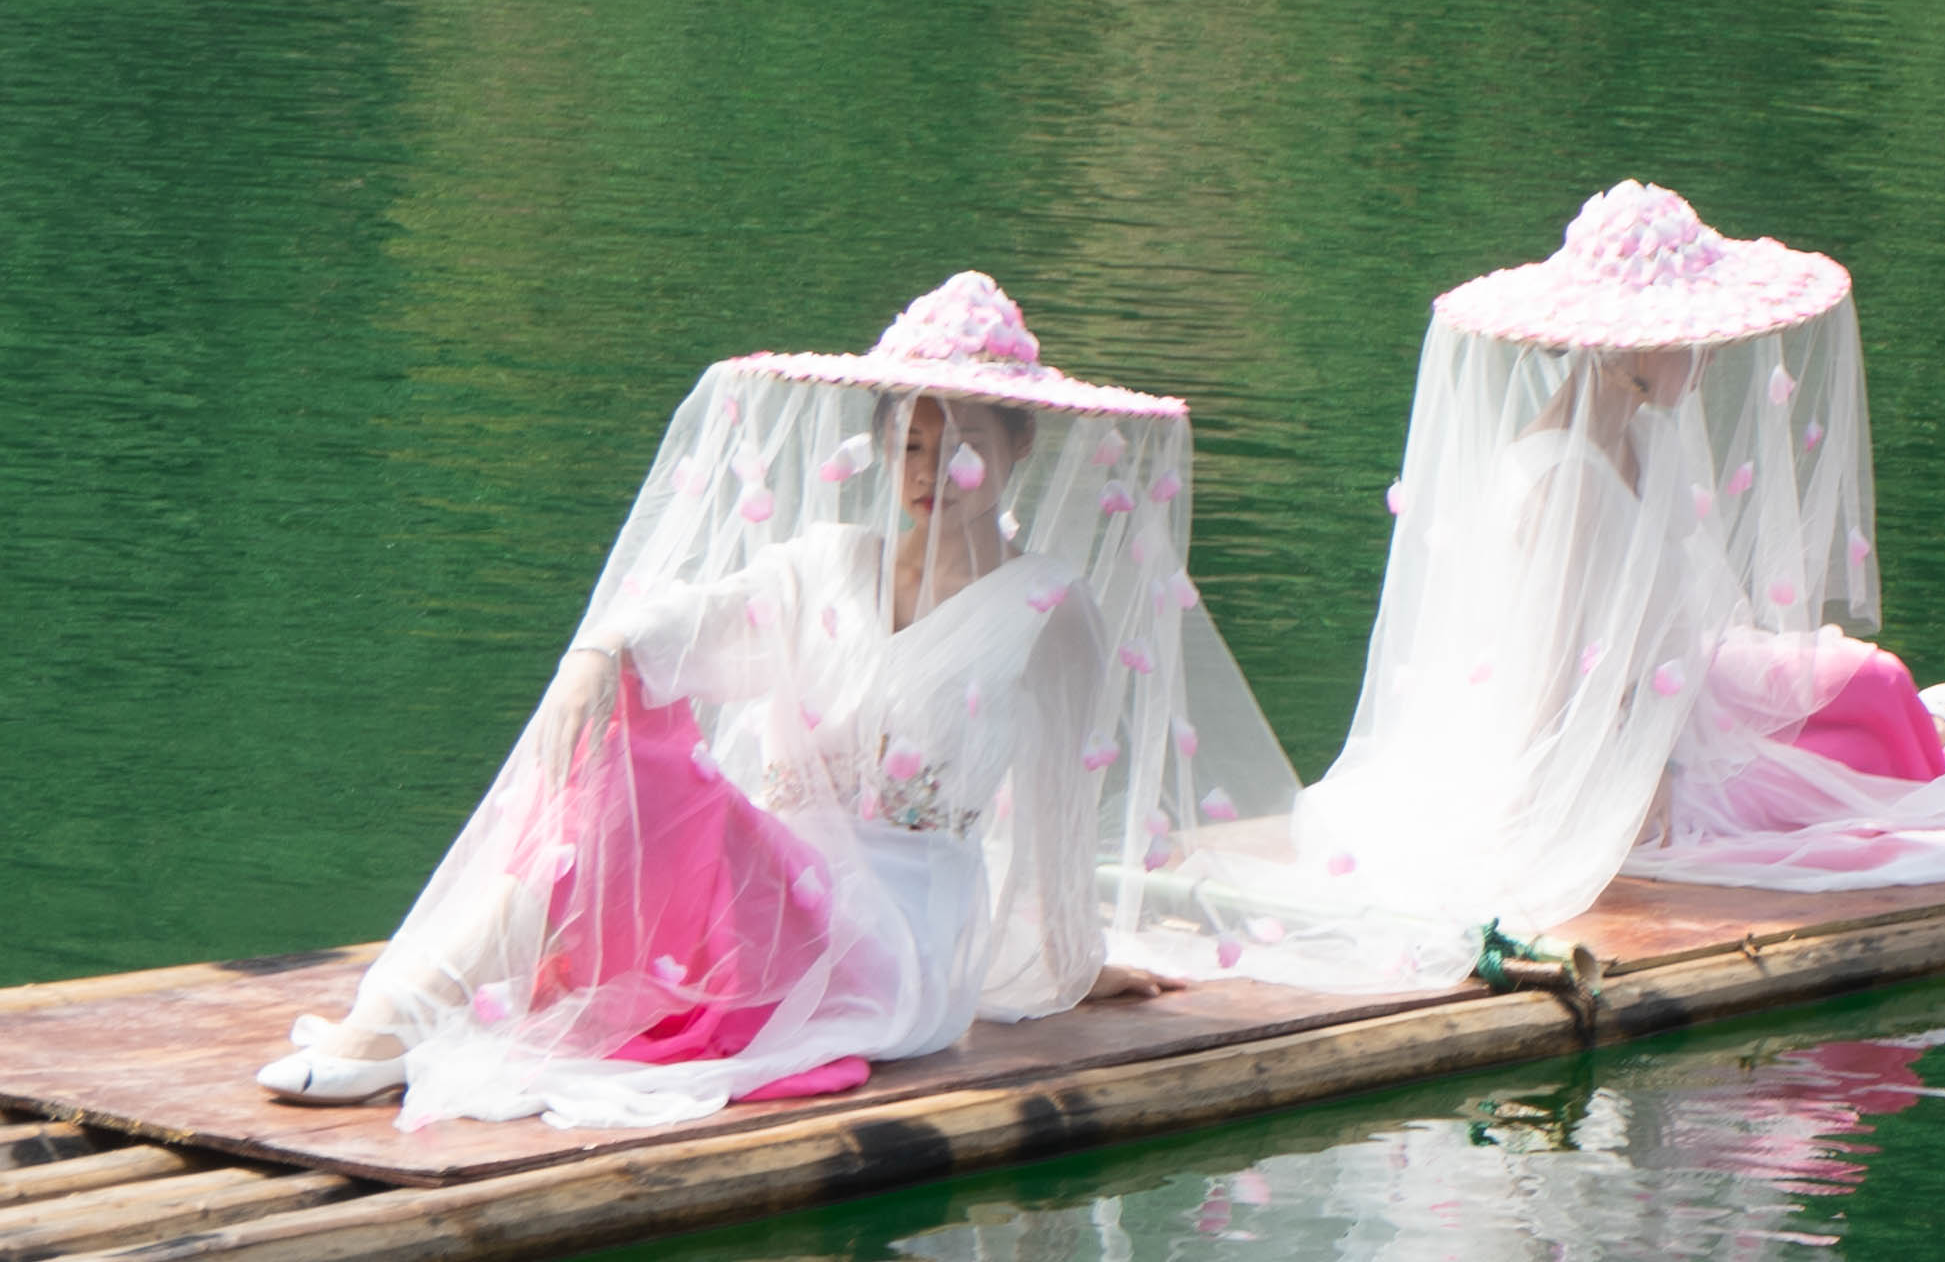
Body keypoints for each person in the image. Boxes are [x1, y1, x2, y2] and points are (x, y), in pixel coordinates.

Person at [258, 275, 1296, 1132]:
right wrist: (598, 650)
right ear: (886, 446)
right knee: (631, 755)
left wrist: (1069, 965)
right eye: (912, 442)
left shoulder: (1044, 607)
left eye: (965, 442)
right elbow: (679, 628)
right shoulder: (825, 568)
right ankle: (390, 1015)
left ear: (1018, 447)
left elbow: (1059, 821)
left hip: (894, 938)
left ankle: (386, 1028)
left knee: (670, 793)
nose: (934, 470)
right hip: (765, 886)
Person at [1218, 183, 1945, 972]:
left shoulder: (1641, 434)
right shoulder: (1562, 482)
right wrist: (1624, 779)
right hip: (1611, 732)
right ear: (1633, 353)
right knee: (1856, 731)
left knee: (1874, 682)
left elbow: (1672, 612)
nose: (1703, 355)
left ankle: (1936, 745)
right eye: (1687, 339)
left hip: (1678, 684)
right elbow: (1550, 667)